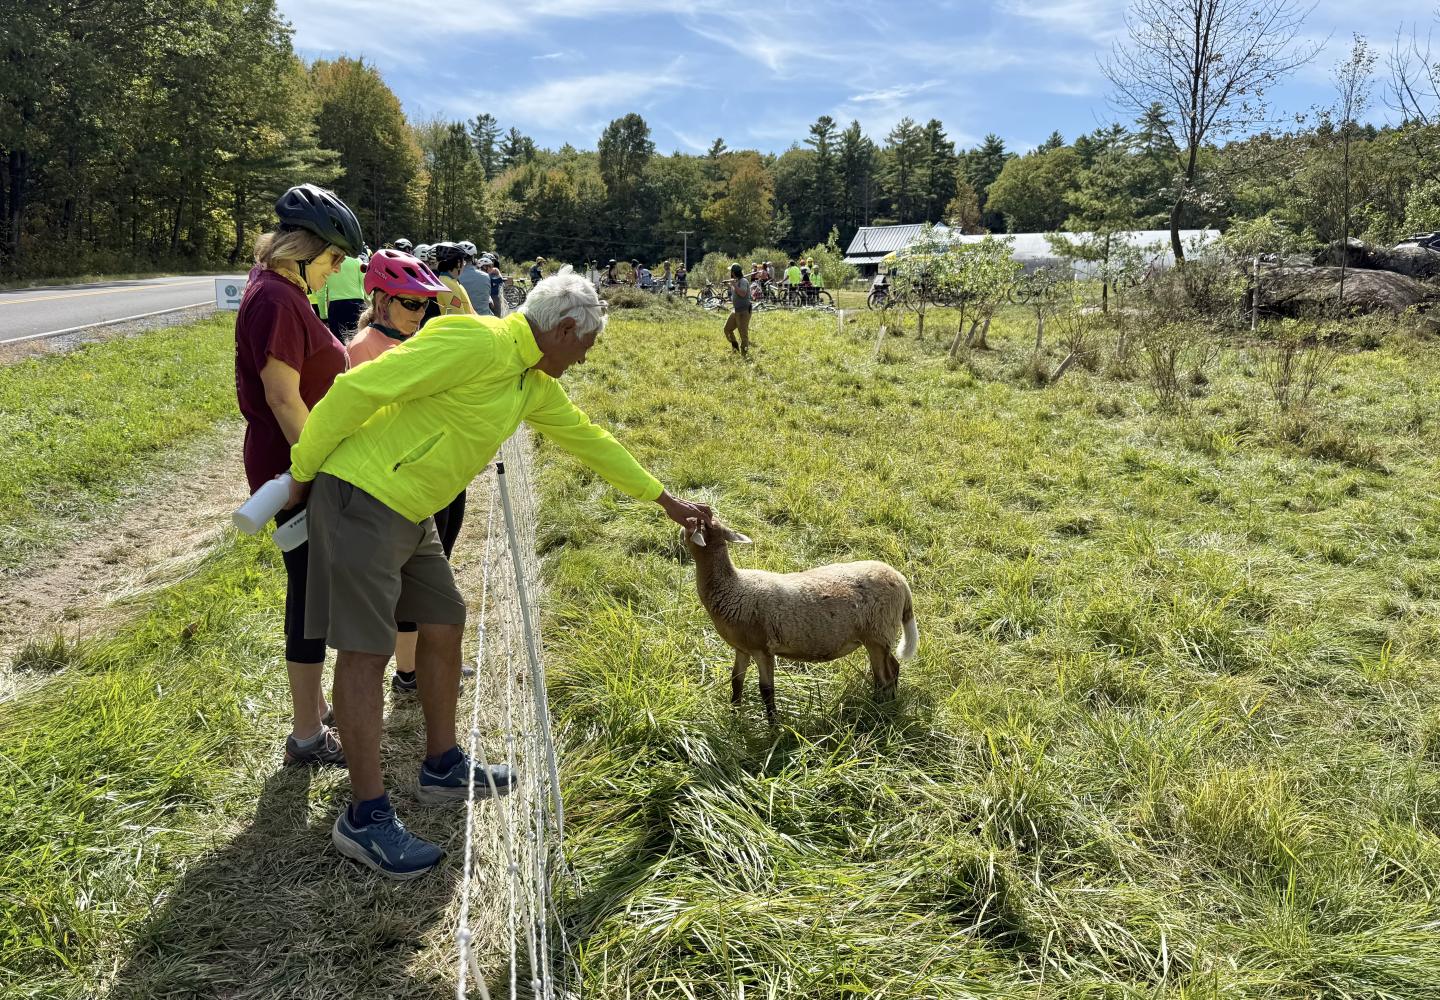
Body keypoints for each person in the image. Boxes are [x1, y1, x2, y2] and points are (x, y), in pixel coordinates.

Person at [285, 271, 712, 878]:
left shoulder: (528, 379)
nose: (586, 357)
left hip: (412, 508)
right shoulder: (474, 342)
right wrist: (302, 473)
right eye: (586, 345)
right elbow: (358, 391)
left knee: (443, 620)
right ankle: (365, 815)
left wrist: (664, 498)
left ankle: (442, 766)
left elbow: (589, 439)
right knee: (366, 652)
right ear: (564, 329)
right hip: (362, 494)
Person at [234, 183, 362, 769]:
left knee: (317, 590)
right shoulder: (279, 300)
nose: (338, 271)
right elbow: (283, 397)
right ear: (306, 249)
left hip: (301, 462)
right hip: (294, 467)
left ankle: (314, 713)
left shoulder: (281, 291)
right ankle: (307, 733)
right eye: (334, 259)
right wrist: (308, 468)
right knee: (309, 596)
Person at [343, 248, 462, 694]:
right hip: (400, 479)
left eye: (424, 303)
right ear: (380, 300)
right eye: (410, 302)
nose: (420, 311)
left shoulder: (413, 341)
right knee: (408, 582)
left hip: (437, 470)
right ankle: (408, 672)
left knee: (437, 570)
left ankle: (424, 663)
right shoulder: (366, 349)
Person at [321, 254, 367, 341]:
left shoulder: (328, 262)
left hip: (335, 307)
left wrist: (323, 315)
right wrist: (373, 306)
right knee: (358, 341)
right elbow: (366, 285)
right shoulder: (357, 260)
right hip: (356, 305)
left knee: (338, 344)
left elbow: (321, 291)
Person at [431, 242, 477, 316]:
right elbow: (459, 316)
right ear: (458, 263)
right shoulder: (448, 285)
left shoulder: (451, 281)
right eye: (463, 262)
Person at [457, 242, 493, 317]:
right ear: (473, 258)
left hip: (463, 319)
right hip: (484, 318)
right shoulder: (485, 276)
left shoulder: (455, 277)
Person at [723, 262, 752, 356]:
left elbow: (743, 293)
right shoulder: (736, 281)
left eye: (731, 271)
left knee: (743, 334)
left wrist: (734, 285)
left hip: (744, 311)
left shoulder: (743, 281)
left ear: (733, 272)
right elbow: (736, 291)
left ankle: (745, 355)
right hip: (736, 310)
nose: (730, 273)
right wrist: (730, 286)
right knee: (727, 329)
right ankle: (735, 346)